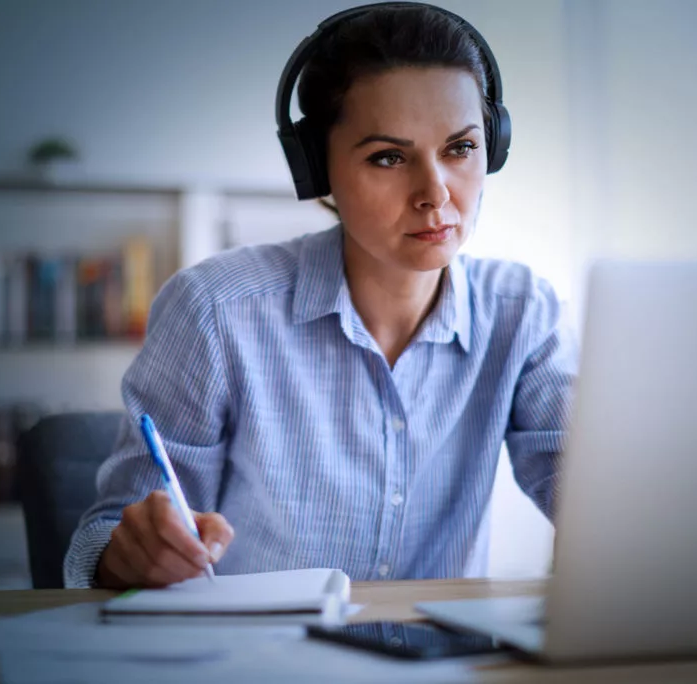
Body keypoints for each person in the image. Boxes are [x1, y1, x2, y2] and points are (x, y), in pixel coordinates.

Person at [64, 2, 577, 589]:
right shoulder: (215, 310)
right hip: (258, 645)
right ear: (316, 169)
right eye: (389, 157)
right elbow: (107, 534)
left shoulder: (525, 313)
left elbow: (595, 499)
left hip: (443, 649)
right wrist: (130, 553)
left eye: (460, 148)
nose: (435, 194)